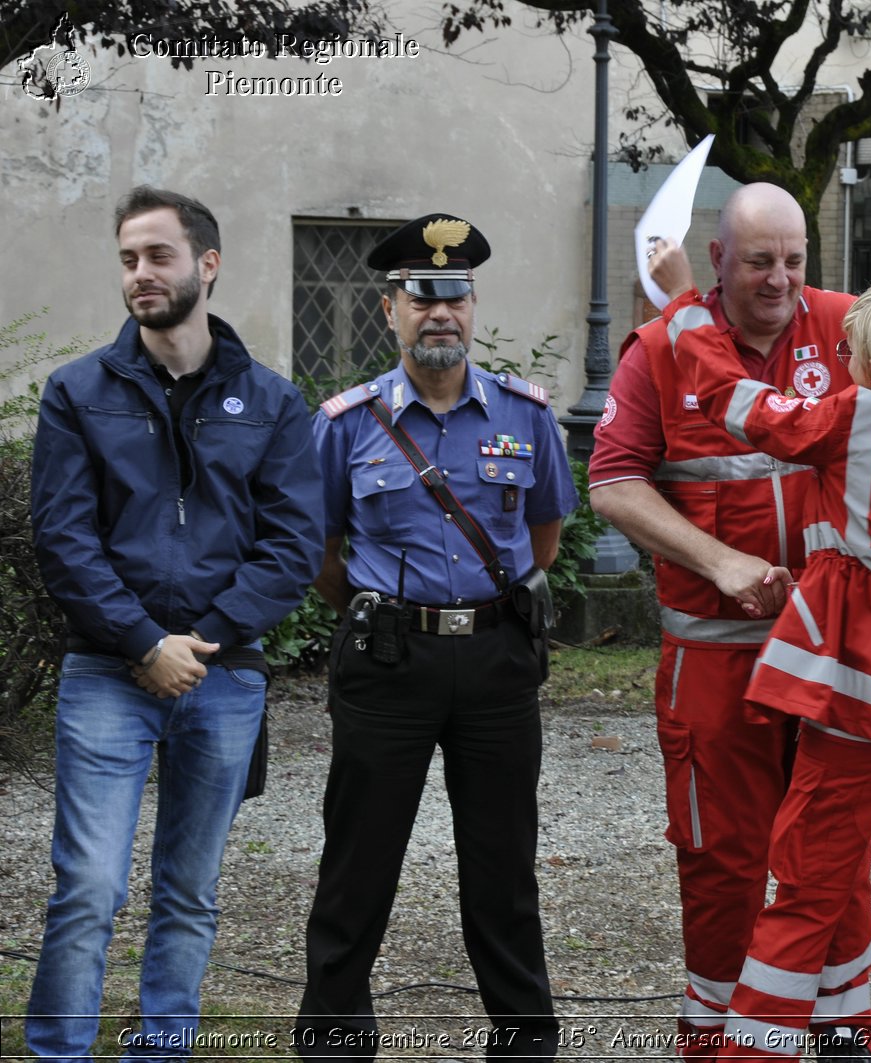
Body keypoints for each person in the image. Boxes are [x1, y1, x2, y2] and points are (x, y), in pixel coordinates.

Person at [588, 183, 871, 1058]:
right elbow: (613, 483)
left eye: (795, 261)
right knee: (728, 856)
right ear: (720, 258)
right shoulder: (657, 351)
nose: (781, 279)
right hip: (735, 653)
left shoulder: (845, 345)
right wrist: (720, 563)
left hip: (841, 667)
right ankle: (719, 1030)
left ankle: (833, 1028)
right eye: (759, 262)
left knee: (820, 865)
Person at [27, 185, 324, 1059]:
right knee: (87, 886)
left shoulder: (272, 401)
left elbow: (293, 543)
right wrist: (141, 642)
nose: (140, 274)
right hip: (107, 671)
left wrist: (205, 639)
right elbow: (63, 536)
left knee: (189, 890)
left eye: (158, 255)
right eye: (128, 259)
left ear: (208, 264)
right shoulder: (78, 390)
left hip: (223, 676)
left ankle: (162, 1048)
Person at [293, 214, 578, 1061]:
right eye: (422, 295)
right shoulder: (346, 423)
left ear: (473, 304)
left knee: (503, 866)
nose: (439, 311)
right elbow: (321, 549)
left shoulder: (524, 416)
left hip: (496, 660)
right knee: (359, 860)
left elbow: (546, 533)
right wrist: (392, 608)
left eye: (453, 293)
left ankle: (525, 1039)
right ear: (391, 310)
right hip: (387, 660)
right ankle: (335, 1037)